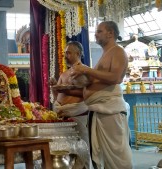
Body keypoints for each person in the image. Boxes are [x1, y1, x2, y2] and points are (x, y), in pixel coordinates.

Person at [71, 21, 133, 169]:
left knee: (117, 153)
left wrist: (87, 70)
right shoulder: (105, 54)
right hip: (99, 110)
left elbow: (116, 78)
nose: (95, 34)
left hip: (111, 110)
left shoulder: (118, 51)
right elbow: (96, 80)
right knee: (104, 155)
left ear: (110, 33)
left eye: (99, 31)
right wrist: (80, 80)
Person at [50, 41, 91, 169]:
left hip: (78, 115)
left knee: (81, 148)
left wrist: (65, 90)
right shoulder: (64, 73)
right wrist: (54, 85)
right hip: (62, 115)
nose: (65, 55)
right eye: (65, 53)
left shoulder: (85, 71)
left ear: (77, 53)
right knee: (65, 150)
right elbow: (57, 96)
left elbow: (87, 94)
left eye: (68, 53)